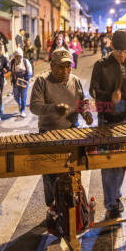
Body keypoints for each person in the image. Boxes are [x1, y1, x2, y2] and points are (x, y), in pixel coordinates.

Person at [89, 30, 126, 219]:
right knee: (108, 163)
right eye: (119, 50)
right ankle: (111, 204)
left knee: (120, 163)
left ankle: (115, 196)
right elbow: (93, 91)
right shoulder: (100, 65)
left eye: (125, 51)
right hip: (107, 120)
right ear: (112, 46)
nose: (122, 54)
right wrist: (109, 97)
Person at [30, 48, 93, 207]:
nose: (65, 71)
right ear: (52, 65)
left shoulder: (75, 81)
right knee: (51, 177)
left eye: (68, 67)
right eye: (61, 67)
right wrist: (53, 109)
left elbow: (82, 103)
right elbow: (34, 107)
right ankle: (53, 209)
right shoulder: (42, 81)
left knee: (72, 175)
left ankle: (72, 211)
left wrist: (86, 113)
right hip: (48, 135)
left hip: (72, 135)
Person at [10, 47, 33, 117]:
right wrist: (13, 79)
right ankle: (19, 104)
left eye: (19, 56)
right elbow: (11, 71)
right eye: (16, 56)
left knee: (23, 97)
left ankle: (22, 110)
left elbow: (30, 71)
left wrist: (26, 79)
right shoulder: (12, 62)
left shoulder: (26, 62)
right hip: (16, 81)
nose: (18, 57)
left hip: (24, 81)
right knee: (16, 95)